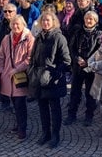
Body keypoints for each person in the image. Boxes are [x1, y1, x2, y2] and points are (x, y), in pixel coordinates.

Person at [28, 12, 71, 148]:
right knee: (42, 108)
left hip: (52, 80)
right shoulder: (39, 37)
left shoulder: (59, 37)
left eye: (48, 20)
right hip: (38, 78)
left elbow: (66, 60)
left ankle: (55, 135)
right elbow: (33, 56)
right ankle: (45, 133)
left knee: (55, 109)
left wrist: (55, 73)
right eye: (43, 20)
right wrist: (32, 71)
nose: (45, 23)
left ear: (53, 22)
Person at [0, 15, 35, 140]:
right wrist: (2, 71)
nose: (15, 26)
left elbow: (30, 58)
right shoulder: (6, 38)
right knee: (14, 101)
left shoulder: (29, 39)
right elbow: (1, 56)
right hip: (8, 75)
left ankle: (22, 128)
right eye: (13, 24)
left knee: (20, 103)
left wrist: (18, 68)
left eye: (18, 24)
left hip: (21, 75)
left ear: (23, 24)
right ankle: (18, 124)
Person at [63, 11, 102, 127]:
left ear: (95, 21)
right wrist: (77, 59)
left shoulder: (99, 34)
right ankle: (72, 114)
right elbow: (72, 48)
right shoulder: (78, 31)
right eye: (86, 18)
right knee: (75, 92)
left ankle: (89, 115)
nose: (88, 21)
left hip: (91, 67)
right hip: (78, 66)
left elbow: (99, 50)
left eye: (91, 19)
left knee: (90, 93)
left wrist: (88, 62)